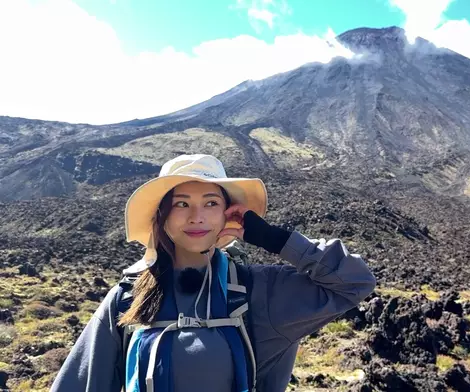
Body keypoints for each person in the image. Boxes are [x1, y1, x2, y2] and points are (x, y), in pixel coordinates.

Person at [51, 154, 377, 392]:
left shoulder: (258, 292)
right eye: (181, 204)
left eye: (210, 203)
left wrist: (273, 238)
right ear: (161, 217)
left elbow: (355, 282)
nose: (197, 217)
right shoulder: (128, 297)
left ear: (227, 215)